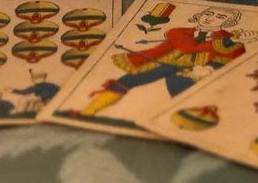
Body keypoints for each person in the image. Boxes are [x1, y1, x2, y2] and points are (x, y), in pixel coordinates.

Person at [75, 6, 247, 117]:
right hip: (165, 63)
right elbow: (187, 48)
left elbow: (234, 60)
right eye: (208, 13)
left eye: (219, 17)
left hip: (194, 72)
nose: (211, 18)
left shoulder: (229, 39)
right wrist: (226, 42)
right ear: (199, 16)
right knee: (123, 82)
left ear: (227, 22)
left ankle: (178, 124)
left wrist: (209, 69)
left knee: (182, 95)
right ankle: (88, 112)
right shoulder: (179, 31)